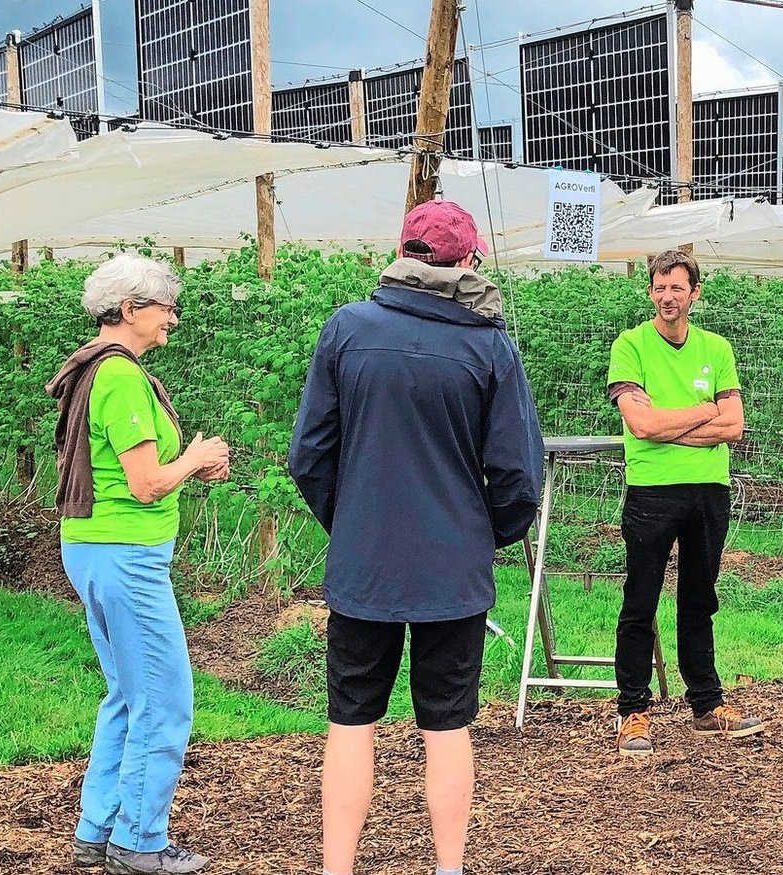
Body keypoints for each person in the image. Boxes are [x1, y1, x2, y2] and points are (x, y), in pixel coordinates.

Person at [289, 200, 543, 875]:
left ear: (401, 255)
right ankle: (449, 868)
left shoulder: (346, 329)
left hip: (363, 567)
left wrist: (351, 524)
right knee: (448, 724)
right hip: (451, 573)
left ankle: (336, 868)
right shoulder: (490, 346)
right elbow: (519, 476)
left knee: (350, 720)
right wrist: (480, 535)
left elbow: (309, 455)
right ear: (467, 261)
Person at [47, 254, 230, 875]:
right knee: (164, 700)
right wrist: (197, 455)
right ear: (130, 310)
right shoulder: (120, 376)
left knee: (128, 694)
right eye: (165, 308)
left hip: (94, 547)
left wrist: (191, 466)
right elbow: (147, 482)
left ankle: (97, 829)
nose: (172, 319)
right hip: (126, 557)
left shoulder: (91, 369)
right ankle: (140, 842)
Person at [606, 248, 765, 757]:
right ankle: (633, 711)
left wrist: (671, 423)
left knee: (700, 600)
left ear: (694, 293)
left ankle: (706, 705)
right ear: (650, 291)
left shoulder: (716, 348)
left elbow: (734, 426)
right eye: (659, 287)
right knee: (640, 601)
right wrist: (703, 413)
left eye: (677, 287)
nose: (667, 296)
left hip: (708, 492)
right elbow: (641, 425)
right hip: (652, 491)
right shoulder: (630, 345)